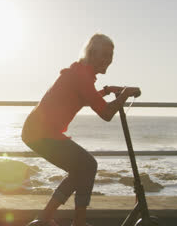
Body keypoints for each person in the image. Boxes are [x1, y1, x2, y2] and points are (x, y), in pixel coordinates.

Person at [22, 34, 140, 226]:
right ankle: (78, 222)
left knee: (80, 169)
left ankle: (46, 217)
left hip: (38, 131)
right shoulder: (81, 76)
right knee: (88, 165)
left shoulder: (80, 73)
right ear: (92, 53)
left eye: (111, 56)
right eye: (105, 55)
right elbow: (106, 113)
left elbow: (85, 97)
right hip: (42, 133)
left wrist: (107, 90)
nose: (109, 60)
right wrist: (125, 94)